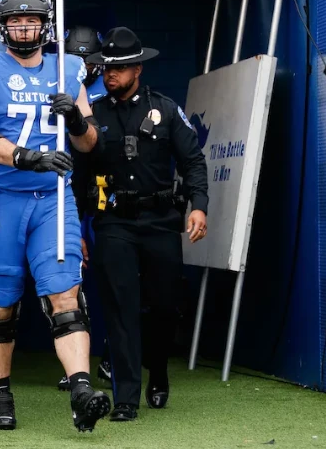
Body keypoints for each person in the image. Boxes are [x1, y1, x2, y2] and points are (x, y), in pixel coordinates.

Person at [0, 0, 111, 433]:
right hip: (2, 197)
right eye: (15, 21)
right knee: (0, 301)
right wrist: (28, 157)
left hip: (53, 198)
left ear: (46, 24)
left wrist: (78, 120)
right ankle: (0, 394)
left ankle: (81, 390)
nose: (24, 28)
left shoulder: (68, 68)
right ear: (2, 26)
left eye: (32, 20)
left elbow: (89, 145)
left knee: (65, 293)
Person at [82, 26, 209, 422]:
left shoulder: (166, 110)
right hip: (114, 222)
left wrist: (198, 206)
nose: (109, 74)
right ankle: (126, 397)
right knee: (121, 307)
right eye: (105, 68)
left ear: (137, 68)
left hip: (160, 220)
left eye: (118, 68)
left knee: (164, 307)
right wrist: (77, 228)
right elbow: (77, 175)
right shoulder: (94, 114)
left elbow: (193, 163)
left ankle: (158, 370)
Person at [53, 24, 112, 391]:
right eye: (77, 59)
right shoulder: (59, 87)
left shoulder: (111, 91)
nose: (84, 66)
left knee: (112, 281)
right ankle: (77, 365)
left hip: (108, 198)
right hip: (70, 197)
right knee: (71, 287)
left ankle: (111, 356)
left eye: (88, 59)